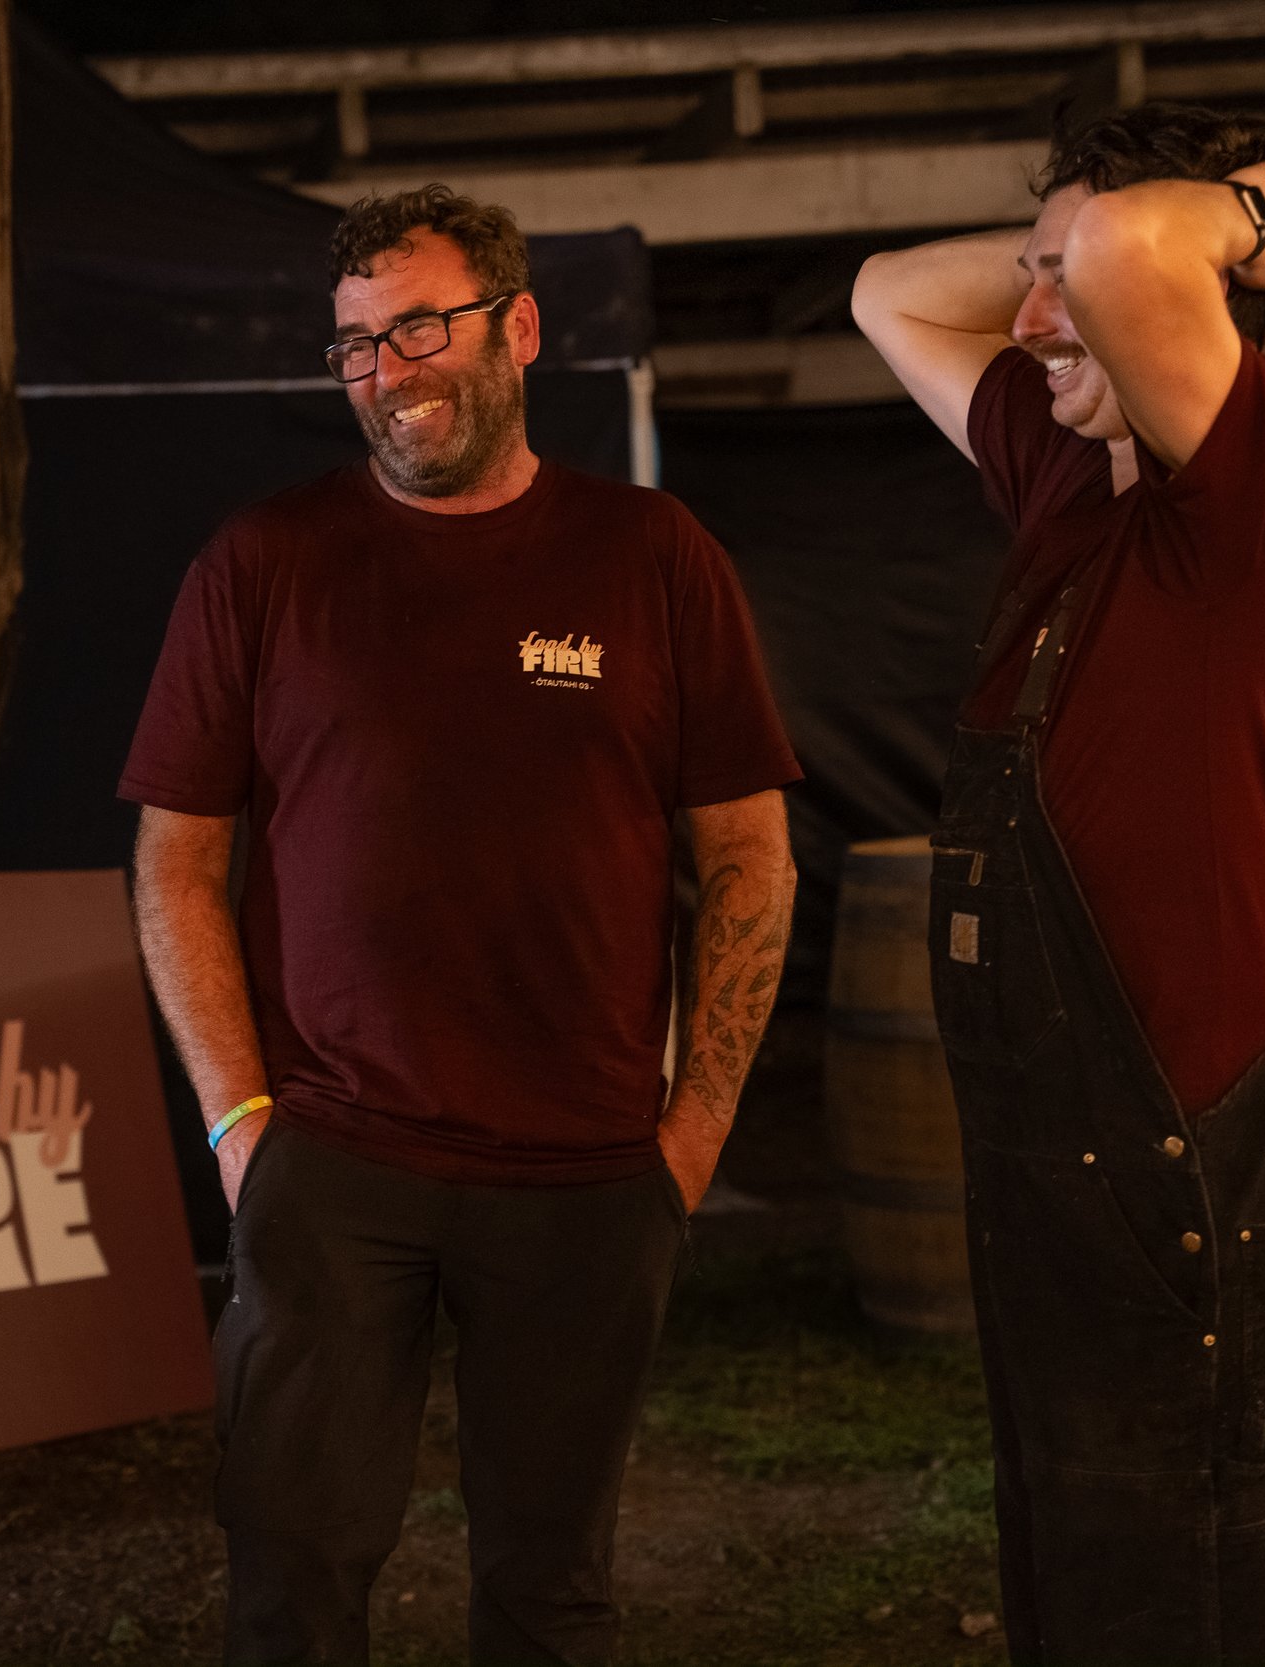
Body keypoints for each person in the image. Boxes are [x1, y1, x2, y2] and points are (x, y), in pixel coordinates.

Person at [122, 185, 800, 1666]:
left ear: (521, 328)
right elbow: (177, 860)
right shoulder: (265, 562)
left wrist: (692, 1136)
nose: (390, 370)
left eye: (421, 325)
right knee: (290, 1581)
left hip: (585, 1174)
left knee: (551, 1592)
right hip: (335, 1162)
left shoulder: (652, 555)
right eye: (356, 344)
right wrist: (240, 1122)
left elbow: (750, 855)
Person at [852, 105, 1265, 1663]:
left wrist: (1245, 223)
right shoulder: (1074, 487)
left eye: (1061, 283)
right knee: (1092, 1594)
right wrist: (1072, 249)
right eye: (1030, 275)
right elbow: (889, 290)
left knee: (1226, 1602)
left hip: (1206, 1196)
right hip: (1069, 1192)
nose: (1028, 325)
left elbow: (1134, 252)